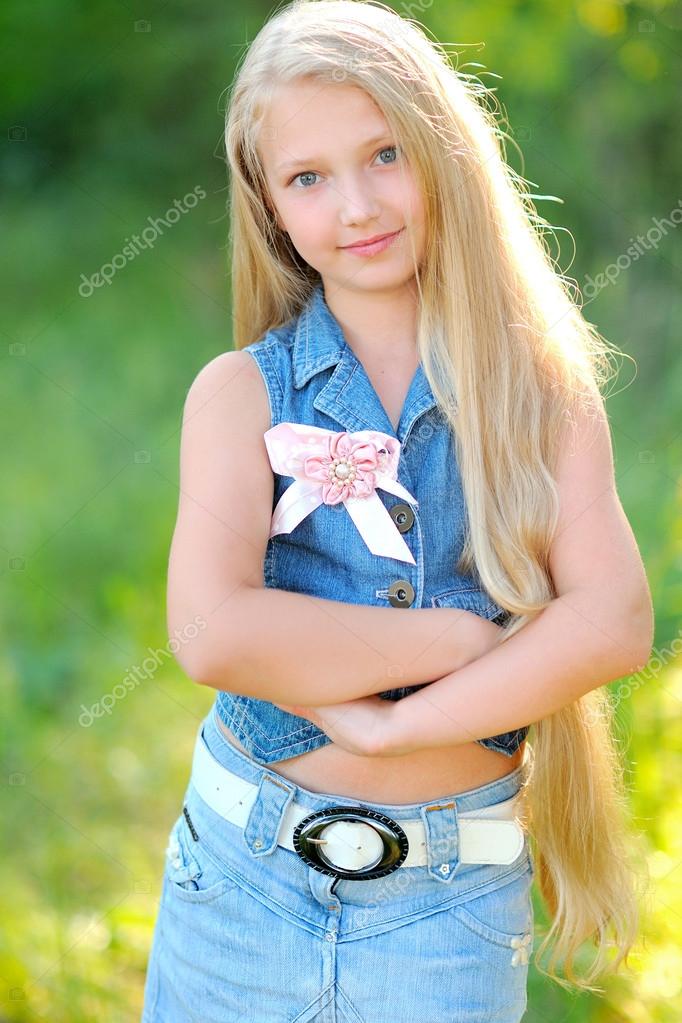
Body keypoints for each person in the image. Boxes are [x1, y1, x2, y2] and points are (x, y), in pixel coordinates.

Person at [141, 1, 654, 1020]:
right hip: (240, 883)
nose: (357, 206)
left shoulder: (539, 394)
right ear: (270, 205)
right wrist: (458, 638)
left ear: (442, 155)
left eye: (384, 155)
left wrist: (394, 730)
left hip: (448, 905)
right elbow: (210, 631)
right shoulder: (241, 394)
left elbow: (612, 622)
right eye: (308, 178)